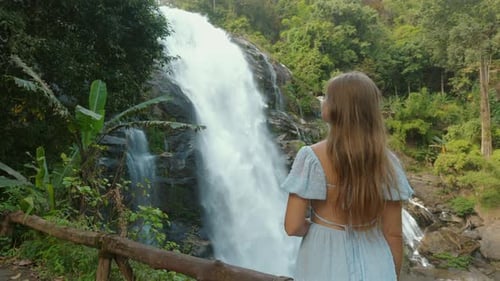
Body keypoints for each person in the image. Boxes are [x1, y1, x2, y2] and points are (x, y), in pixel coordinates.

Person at [281, 71, 413, 281]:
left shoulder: (312, 157)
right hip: (376, 262)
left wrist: (317, 229)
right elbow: (393, 234)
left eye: (327, 97)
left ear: (334, 109)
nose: (323, 101)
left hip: (322, 261)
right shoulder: (388, 163)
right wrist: (392, 274)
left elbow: (293, 225)